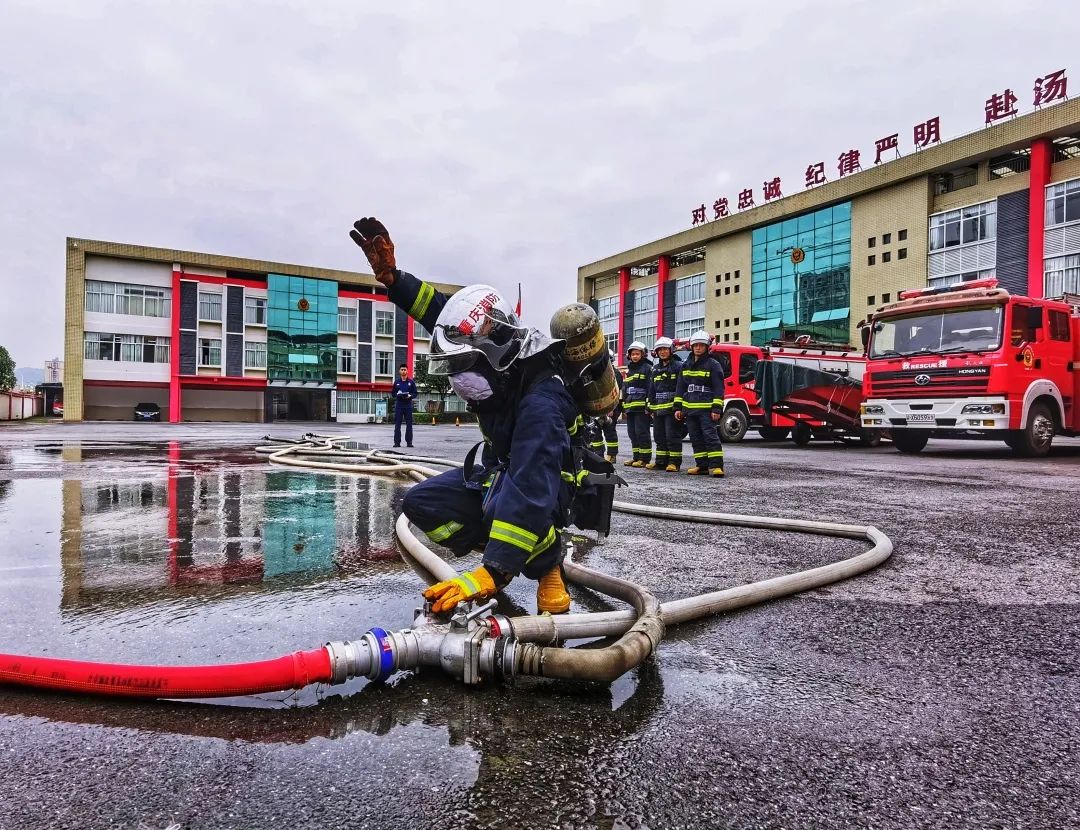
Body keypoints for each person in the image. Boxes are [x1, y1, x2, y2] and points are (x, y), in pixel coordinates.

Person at [349, 216, 582, 615]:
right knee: (421, 503)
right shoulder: (497, 357)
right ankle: (513, 545)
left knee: (508, 508)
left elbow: (529, 486)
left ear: (491, 354)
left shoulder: (541, 399)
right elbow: (444, 315)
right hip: (502, 470)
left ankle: (547, 561)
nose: (458, 378)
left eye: (463, 366)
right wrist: (393, 278)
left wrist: (489, 573)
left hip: (549, 485)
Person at [674, 330, 725, 477]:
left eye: (701, 345)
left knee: (710, 437)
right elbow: (680, 387)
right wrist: (678, 407)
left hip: (706, 409)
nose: (698, 348)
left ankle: (716, 466)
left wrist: (716, 408)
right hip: (690, 410)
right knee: (696, 438)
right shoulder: (686, 365)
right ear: (691, 346)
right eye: (695, 345)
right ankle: (702, 466)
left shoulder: (713, 364)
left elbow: (718, 388)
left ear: (707, 346)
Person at [647, 336, 684, 472]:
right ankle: (660, 462)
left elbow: (681, 387)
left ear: (671, 350)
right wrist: (649, 406)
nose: (662, 352)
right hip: (658, 409)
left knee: (672, 436)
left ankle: (674, 463)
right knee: (659, 436)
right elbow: (652, 389)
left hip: (672, 409)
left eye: (665, 349)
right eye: (660, 350)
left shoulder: (678, 367)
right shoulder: (655, 369)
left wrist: (679, 407)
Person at [585, 352, 622, 463]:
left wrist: (611, 409)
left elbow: (616, 392)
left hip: (610, 408)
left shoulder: (615, 373)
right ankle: (599, 454)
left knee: (610, 432)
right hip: (597, 408)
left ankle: (612, 455)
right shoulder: (594, 373)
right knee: (596, 433)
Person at [621, 341, 653, 468]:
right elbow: (625, 388)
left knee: (642, 432)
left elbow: (650, 388)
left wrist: (648, 405)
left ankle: (644, 459)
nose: (634, 356)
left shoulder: (647, 368)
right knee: (632, 433)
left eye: (637, 354)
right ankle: (636, 457)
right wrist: (624, 404)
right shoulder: (629, 370)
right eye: (633, 354)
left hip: (641, 408)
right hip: (630, 407)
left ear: (643, 354)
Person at [391, 364, 419, 447]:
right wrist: (397, 394)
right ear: (399, 371)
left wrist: (411, 396)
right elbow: (393, 393)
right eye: (402, 370)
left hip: (408, 406)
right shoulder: (396, 382)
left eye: (405, 370)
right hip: (399, 405)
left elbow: (415, 393)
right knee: (397, 425)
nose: (403, 371)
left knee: (409, 425)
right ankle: (397, 443)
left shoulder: (411, 382)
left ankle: (409, 442)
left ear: (407, 371)